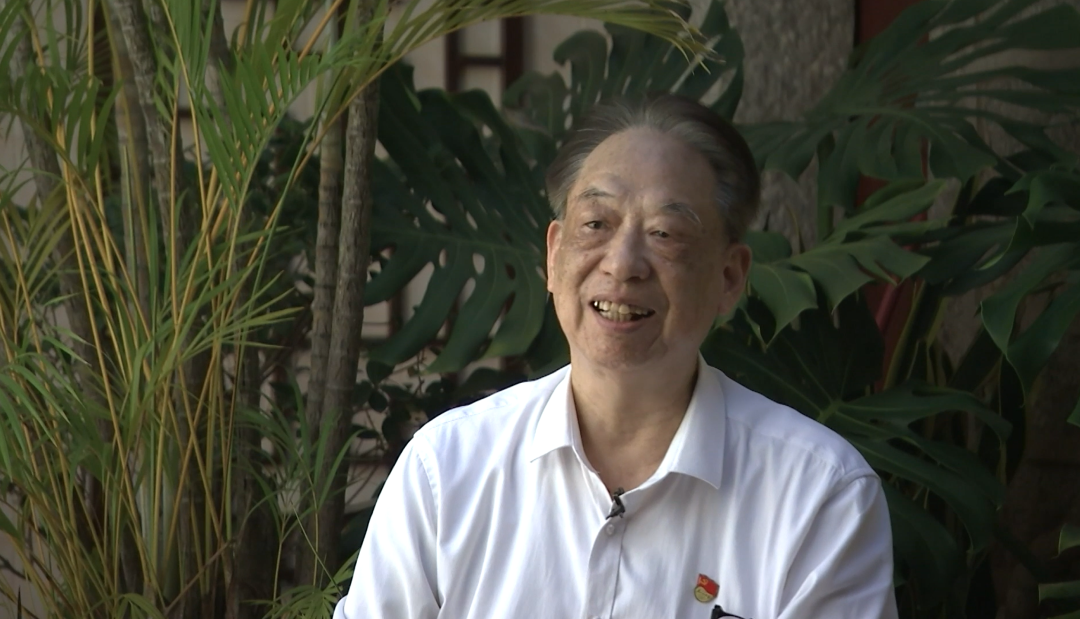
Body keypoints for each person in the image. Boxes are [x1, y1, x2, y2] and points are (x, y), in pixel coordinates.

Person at [333, 94, 899, 619]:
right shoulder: (448, 469)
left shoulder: (818, 495)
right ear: (554, 256)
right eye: (596, 225)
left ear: (729, 277)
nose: (623, 263)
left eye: (665, 233)